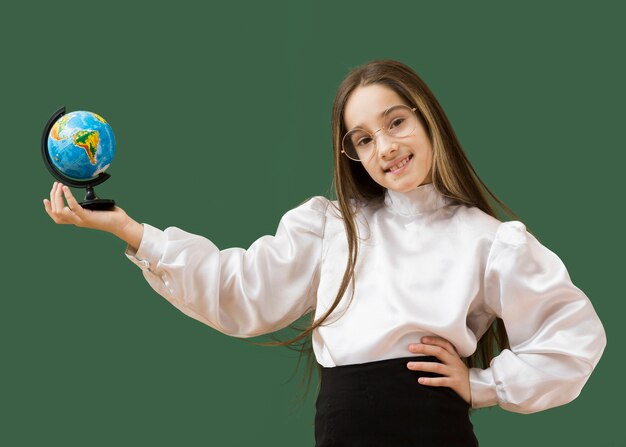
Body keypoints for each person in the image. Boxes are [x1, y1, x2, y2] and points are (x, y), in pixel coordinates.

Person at [43, 59, 607, 446]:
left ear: (427, 117)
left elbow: (574, 335)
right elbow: (237, 292)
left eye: (395, 122)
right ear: (352, 154)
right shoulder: (333, 226)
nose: (384, 147)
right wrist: (130, 231)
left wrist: (483, 385)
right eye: (363, 138)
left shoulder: (487, 239)